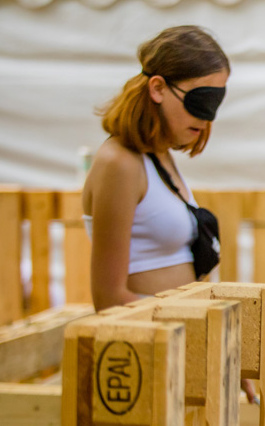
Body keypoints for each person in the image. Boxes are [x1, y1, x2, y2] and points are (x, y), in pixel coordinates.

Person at [83, 25, 229, 311]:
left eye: (215, 102)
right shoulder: (120, 164)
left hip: (179, 329)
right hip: (150, 333)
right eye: (201, 101)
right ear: (158, 88)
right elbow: (109, 297)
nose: (207, 117)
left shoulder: (158, 156)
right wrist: (179, 325)